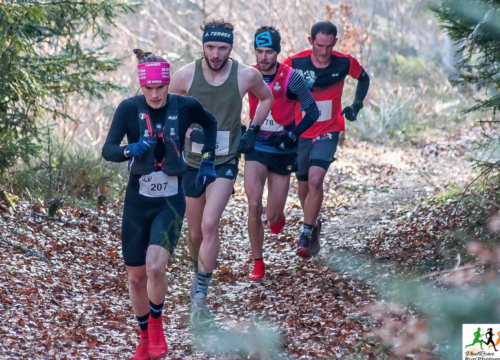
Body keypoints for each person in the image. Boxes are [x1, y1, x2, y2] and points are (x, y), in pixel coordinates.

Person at [102, 49, 217, 360]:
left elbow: (211, 123)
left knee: (155, 267)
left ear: (169, 85)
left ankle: (156, 325)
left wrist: (207, 160)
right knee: (136, 277)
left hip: (170, 201)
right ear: (142, 87)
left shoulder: (185, 105)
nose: (155, 94)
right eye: (149, 89)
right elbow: (108, 150)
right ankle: (143, 337)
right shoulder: (128, 109)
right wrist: (130, 150)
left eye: (160, 88)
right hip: (137, 203)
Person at [169, 19, 273, 318]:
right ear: (202, 45)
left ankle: (201, 289)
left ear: (231, 47)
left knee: (210, 223)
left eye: (222, 47)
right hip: (191, 161)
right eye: (210, 47)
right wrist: (185, 133)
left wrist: (253, 130)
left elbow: (267, 97)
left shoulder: (246, 75)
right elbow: (166, 110)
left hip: (224, 160)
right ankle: (197, 269)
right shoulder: (185, 75)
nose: (216, 54)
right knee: (194, 231)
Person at [284, 21, 370, 259]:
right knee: (303, 187)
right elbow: (277, 87)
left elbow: (363, 78)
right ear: (310, 41)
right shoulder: (294, 63)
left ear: (335, 42)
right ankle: (314, 223)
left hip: (329, 129)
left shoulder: (344, 62)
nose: (323, 52)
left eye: (328, 46)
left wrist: (356, 105)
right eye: (319, 46)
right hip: (302, 131)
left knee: (315, 180)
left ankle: (305, 233)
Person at [245, 26, 319, 280]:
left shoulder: (291, 77)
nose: (263, 58)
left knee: (273, 216)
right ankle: (258, 263)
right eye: (259, 52)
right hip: (256, 148)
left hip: (283, 150)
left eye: (269, 52)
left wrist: (294, 134)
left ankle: (277, 216)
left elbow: (313, 112)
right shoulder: (248, 74)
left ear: (277, 52)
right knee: (254, 205)